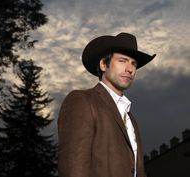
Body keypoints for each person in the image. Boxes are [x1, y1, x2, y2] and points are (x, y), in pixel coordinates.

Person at [57, 32, 156, 177]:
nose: (130, 68)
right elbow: (73, 169)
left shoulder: (130, 119)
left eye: (134, 63)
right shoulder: (82, 101)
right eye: (122, 61)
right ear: (103, 64)